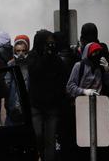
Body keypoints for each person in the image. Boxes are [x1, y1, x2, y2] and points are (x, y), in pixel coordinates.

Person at [28, 29, 66, 161]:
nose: (50, 46)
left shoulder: (56, 59)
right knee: (37, 134)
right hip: (36, 104)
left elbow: (62, 79)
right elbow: (35, 72)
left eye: (52, 43)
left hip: (52, 105)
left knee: (50, 139)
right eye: (47, 43)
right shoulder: (32, 56)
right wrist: (45, 56)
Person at [5, 35, 30, 125]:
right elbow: (7, 84)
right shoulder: (11, 64)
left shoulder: (31, 65)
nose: (21, 54)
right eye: (18, 51)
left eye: (23, 51)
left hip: (27, 107)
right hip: (13, 108)